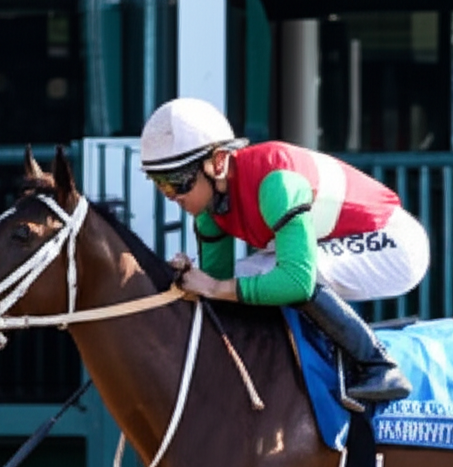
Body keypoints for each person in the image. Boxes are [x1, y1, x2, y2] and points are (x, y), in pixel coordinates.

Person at [140, 97, 430, 404]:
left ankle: (378, 365)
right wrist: (193, 280)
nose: (172, 196)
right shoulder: (210, 213)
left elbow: (296, 282)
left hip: (395, 243)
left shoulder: (276, 182)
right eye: (161, 184)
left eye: (178, 182)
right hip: (340, 242)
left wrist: (216, 286)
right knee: (243, 276)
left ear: (219, 162)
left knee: (284, 274)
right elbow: (216, 287)